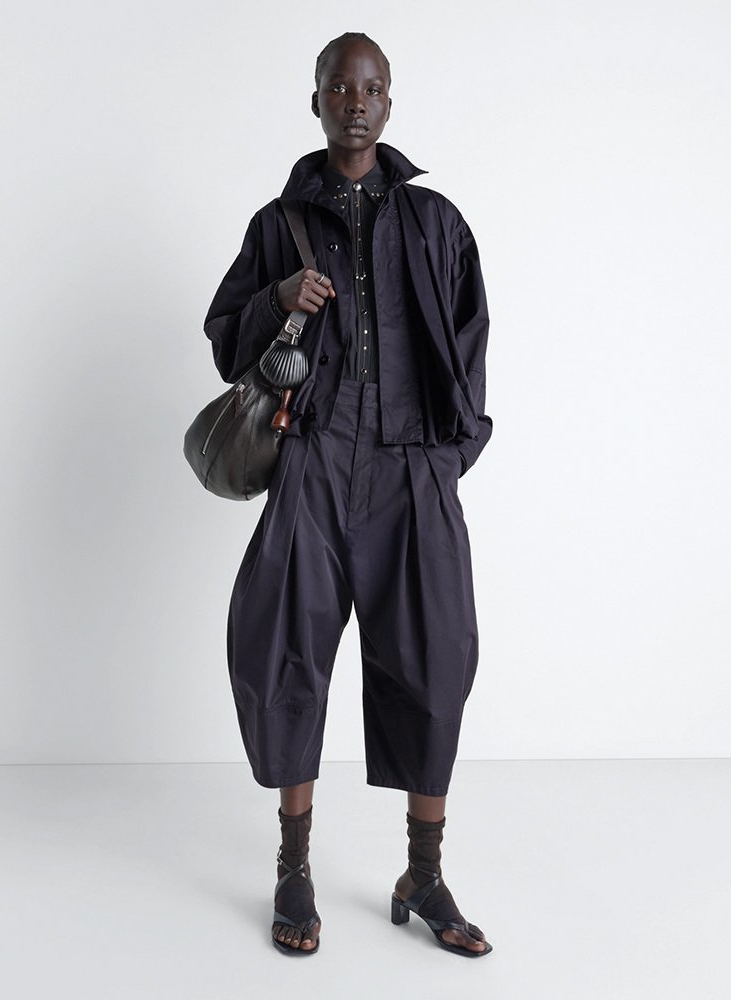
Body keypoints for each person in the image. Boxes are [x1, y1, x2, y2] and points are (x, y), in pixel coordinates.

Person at [203, 32, 493, 957]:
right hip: (315, 458)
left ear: (389, 103)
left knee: (436, 656)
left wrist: (450, 456)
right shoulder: (277, 224)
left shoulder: (436, 221)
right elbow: (224, 338)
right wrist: (278, 296)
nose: (355, 102)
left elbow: (471, 337)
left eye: (371, 89)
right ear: (318, 101)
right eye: (339, 87)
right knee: (286, 645)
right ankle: (293, 867)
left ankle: (424, 873)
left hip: (414, 463)